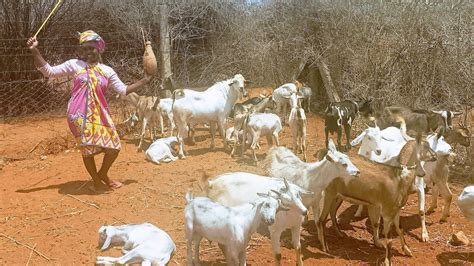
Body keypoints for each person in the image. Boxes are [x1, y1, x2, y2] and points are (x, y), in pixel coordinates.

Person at [27, 30, 151, 192]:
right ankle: (96, 181)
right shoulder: (74, 64)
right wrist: (34, 50)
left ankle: (102, 174)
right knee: (87, 149)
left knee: (114, 146)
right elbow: (49, 72)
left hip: (100, 113)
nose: (87, 52)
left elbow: (123, 90)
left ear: (99, 48)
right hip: (78, 114)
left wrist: (145, 80)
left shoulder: (107, 70)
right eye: (84, 49)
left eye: (91, 48)